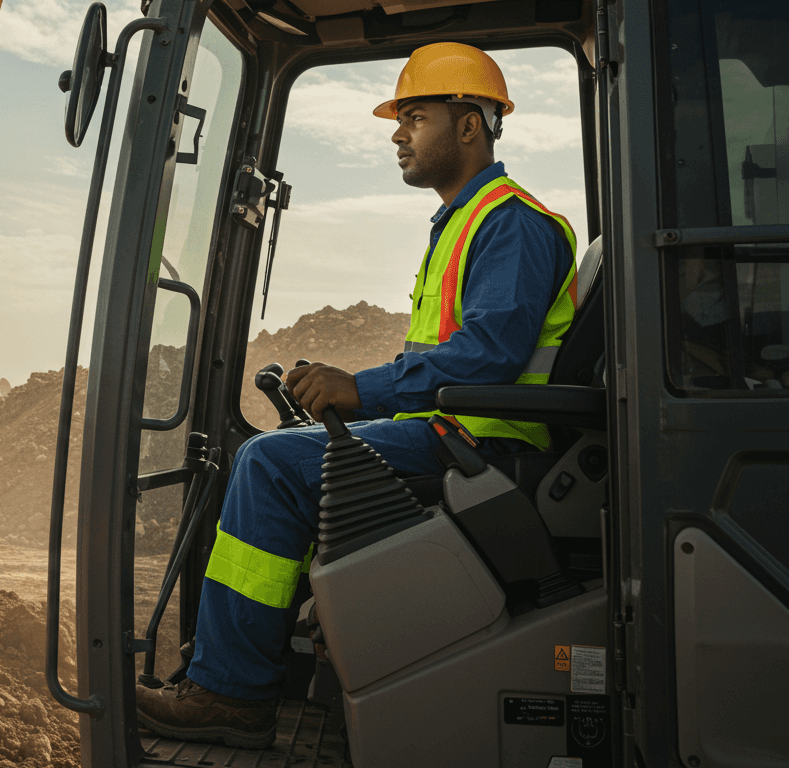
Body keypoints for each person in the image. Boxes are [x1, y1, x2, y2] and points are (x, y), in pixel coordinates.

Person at [135, 42, 580, 749]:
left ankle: (232, 693)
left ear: (470, 125)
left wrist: (361, 390)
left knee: (268, 464)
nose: (398, 135)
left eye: (415, 117)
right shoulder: (466, 221)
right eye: (399, 121)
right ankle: (242, 664)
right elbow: (450, 356)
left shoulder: (512, 223)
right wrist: (354, 392)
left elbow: (488, 356)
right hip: (453, 434)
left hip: (483, 444)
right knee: (280, 452)